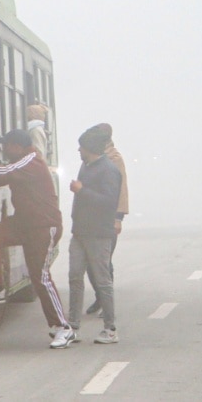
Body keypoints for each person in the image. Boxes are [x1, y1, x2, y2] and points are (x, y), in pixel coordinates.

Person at [0, 128, 71, 348]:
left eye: (6, 146)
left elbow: (4, 173)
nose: (4, 149)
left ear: (17, 146)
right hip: (23, 223)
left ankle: (62, 328)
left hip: (43, 226)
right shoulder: (23, 161)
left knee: (40, 277)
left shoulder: (31, 160)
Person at [66, 127, 122, 345]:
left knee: (102, 281)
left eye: (81, 146)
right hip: (79, 232)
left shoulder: (108, 170)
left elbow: (109, 202)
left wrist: (82, 191)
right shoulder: (86, 166)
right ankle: (73, 326)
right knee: (74, 276)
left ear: (90, 148)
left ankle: (110, 328)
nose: (78, 150)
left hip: (99, 234)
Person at [85, 122, 128, 317]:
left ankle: (106, 301)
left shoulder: (115, 159)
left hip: (109, 217)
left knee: (104, 261)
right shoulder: (91, 156)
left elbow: (122, 190)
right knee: (89, 261)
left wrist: (118, 218)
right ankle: (100, 297)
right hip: (90, 217)